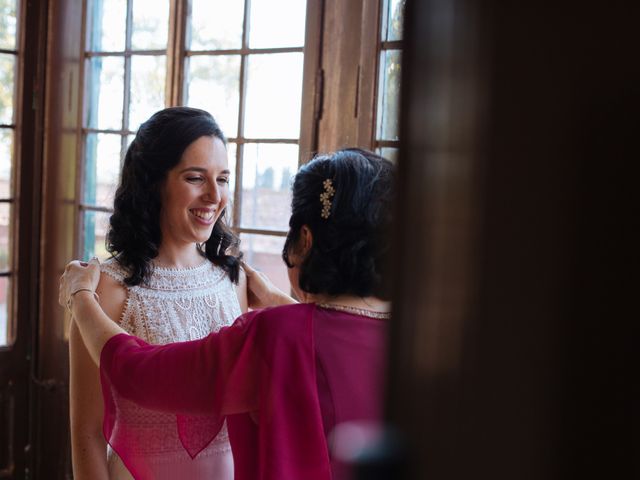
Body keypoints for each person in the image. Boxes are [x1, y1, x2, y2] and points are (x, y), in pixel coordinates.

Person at [61, 148, 394, 480]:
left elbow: (138, 372)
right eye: (195, 177)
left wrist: (81, 298)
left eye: (223, 179)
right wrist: (278, 299)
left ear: (304, 240)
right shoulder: (407, 339)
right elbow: (332, 341)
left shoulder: (275, 334)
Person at [69, 107, 247, 480]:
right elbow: (86, 430)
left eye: (224, 178)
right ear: (155, 182)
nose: (215, 195)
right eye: (196, 178)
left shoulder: (236, 281)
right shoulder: (104, 288)